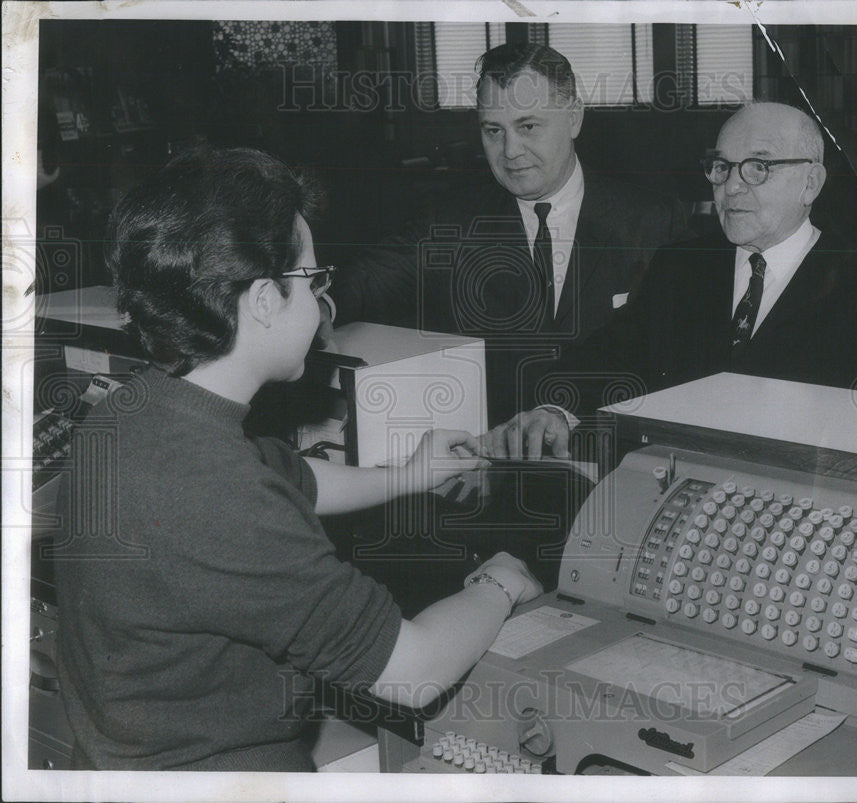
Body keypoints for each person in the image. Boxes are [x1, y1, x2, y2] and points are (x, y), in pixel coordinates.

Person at [53, 146, 542, 771]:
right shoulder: (219, 493)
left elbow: (289, 476)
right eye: (313, 281)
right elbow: (413, 673)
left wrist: (409, 474)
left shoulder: (134, 411)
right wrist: (501, 580)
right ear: (263, 299)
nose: (318, 303)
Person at [486, 101, 857, 459]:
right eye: (722, 167)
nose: (731, 187)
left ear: (811, 183)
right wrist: (557, 410)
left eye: (758, 167)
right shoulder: (683, 265)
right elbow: (616, 353)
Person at [329, 42, 690, 426]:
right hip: (494, 458)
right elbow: (374, 276)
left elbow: (678, 353)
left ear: (574, 118)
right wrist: (322, 306)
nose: (510, 151)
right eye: (493, 131)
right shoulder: (454, 219)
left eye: (528, 126)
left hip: (614, 449)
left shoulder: (652, 220)